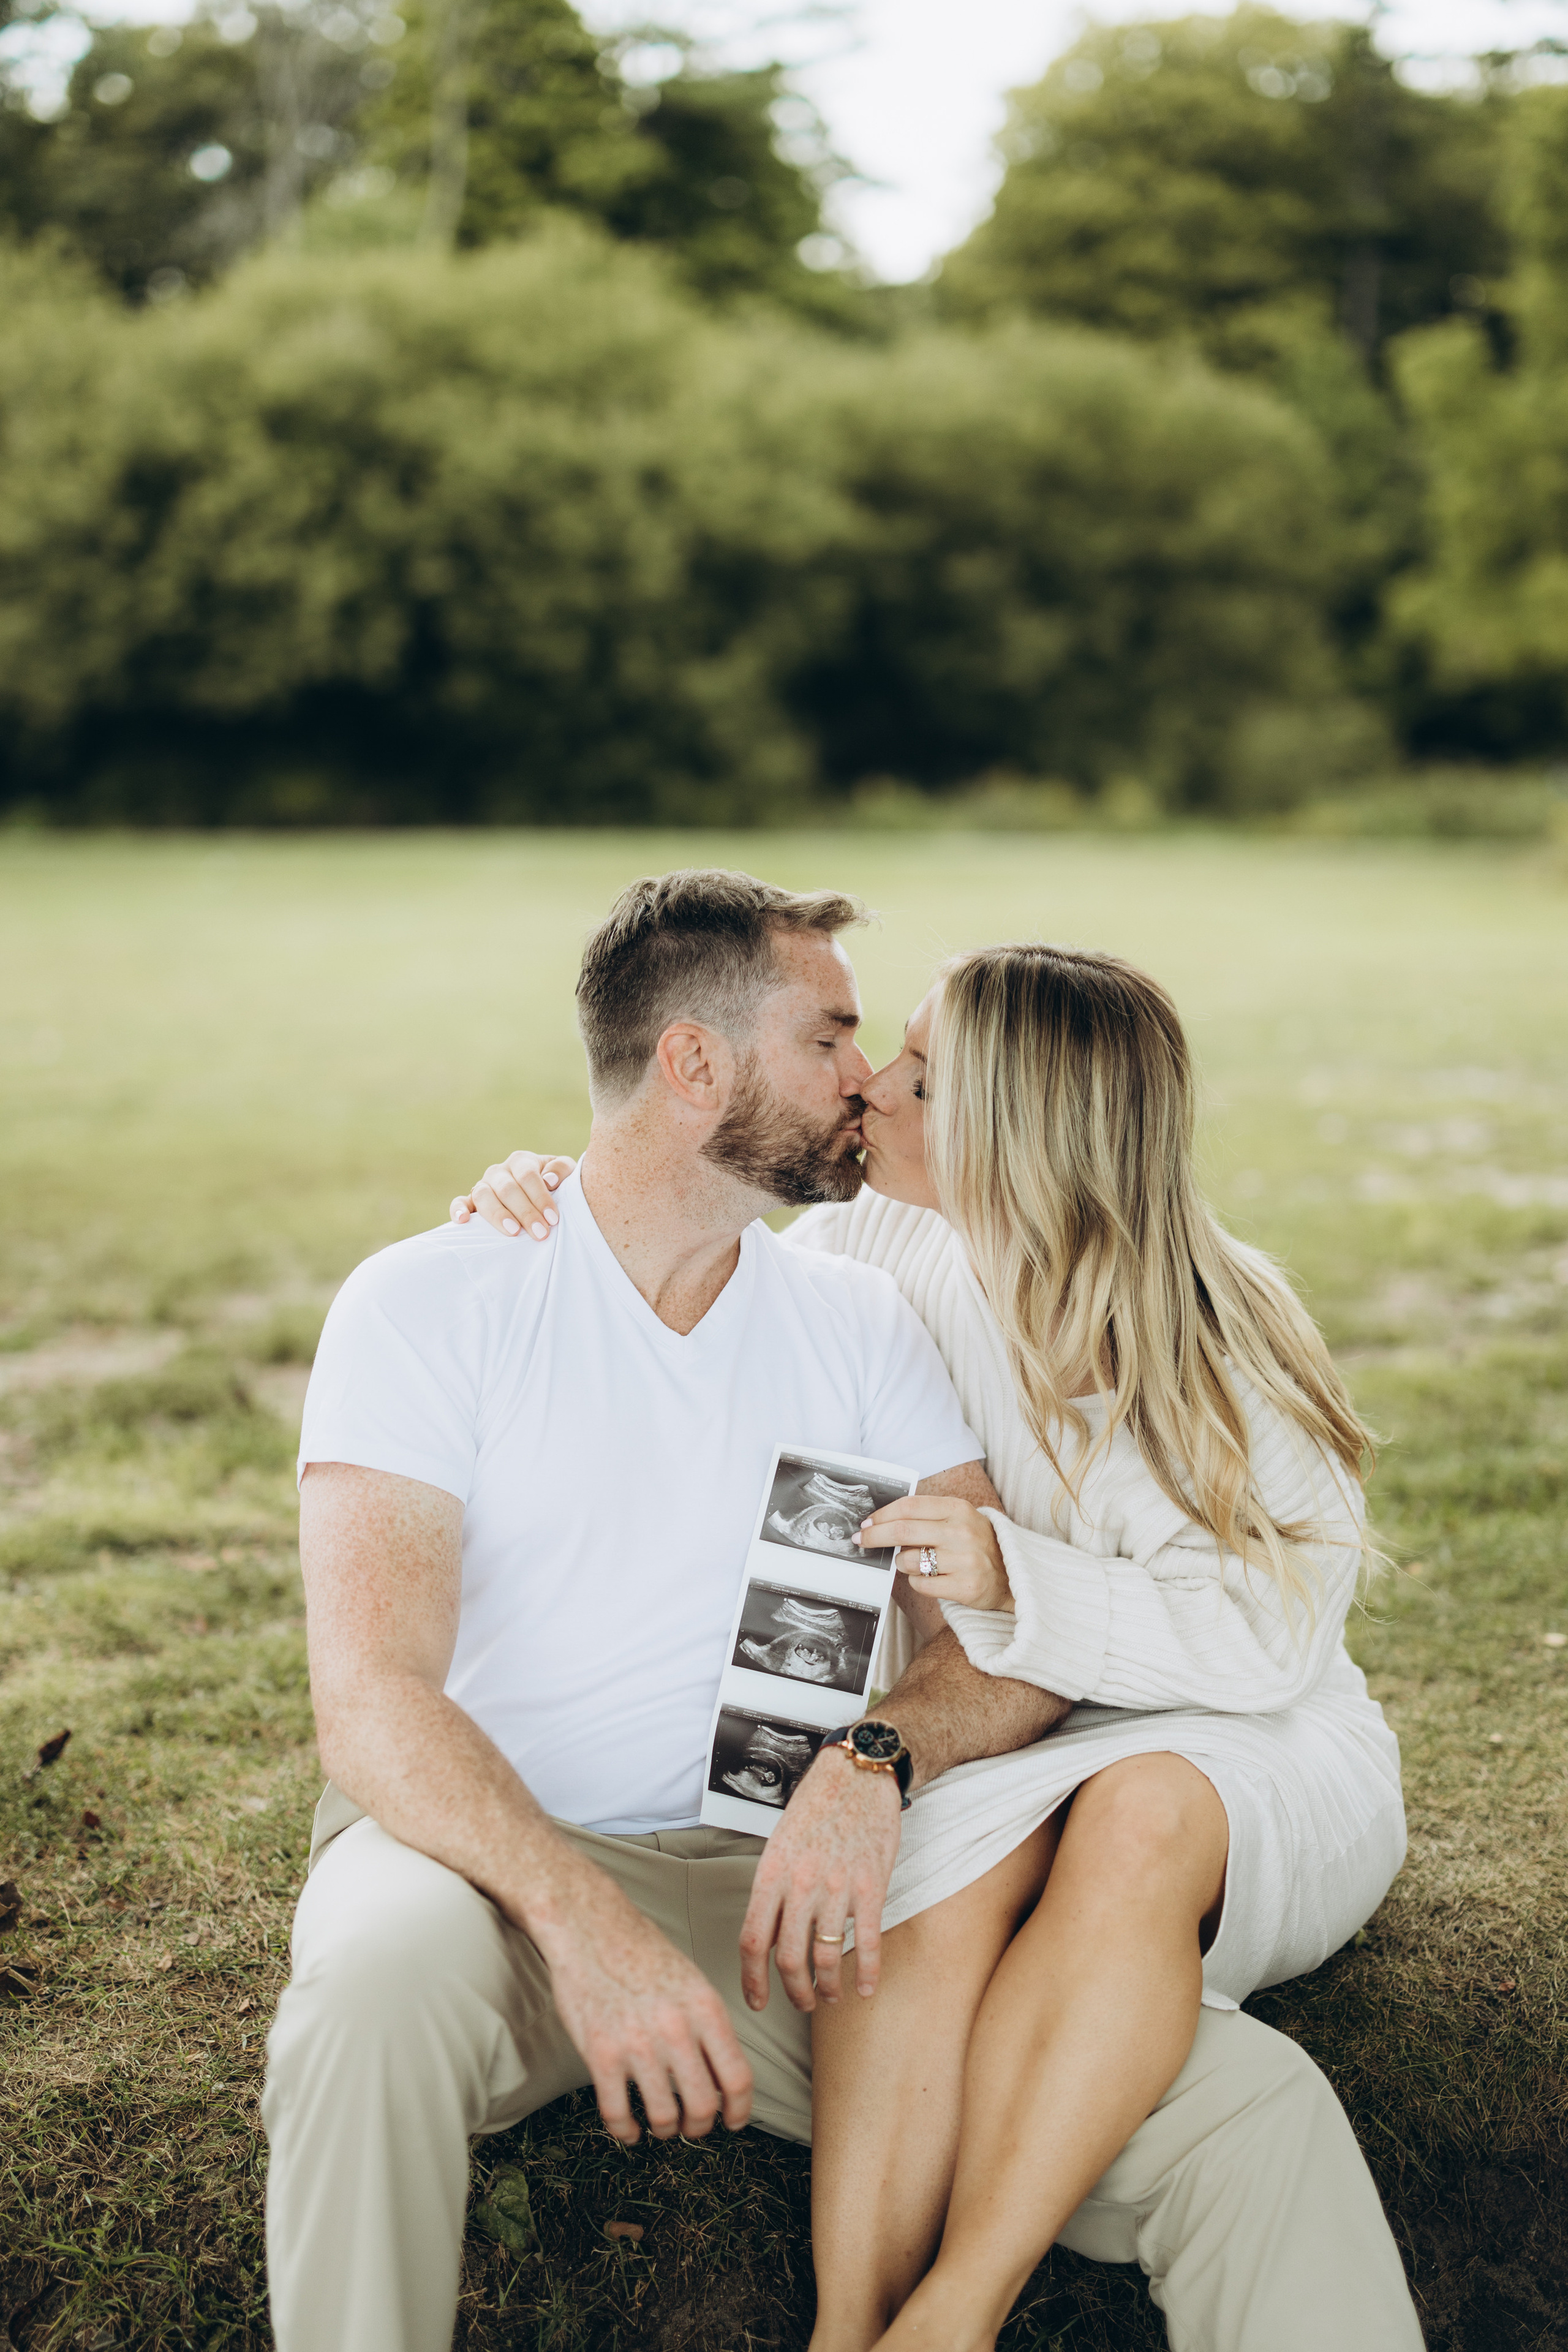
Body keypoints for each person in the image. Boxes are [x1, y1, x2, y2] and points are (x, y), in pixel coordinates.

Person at [454, 938, 1424, 2352]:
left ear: (1020, 1131)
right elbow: (695, 1291)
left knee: (1136, 1815)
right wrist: (543, 1204)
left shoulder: (1225, 1332)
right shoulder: (875, 1246)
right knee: (898, 1852)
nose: (872, 1089)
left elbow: (1271, 1638)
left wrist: (1017, 1576)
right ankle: (850, 2332)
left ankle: (955, 2313)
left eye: (919, 1074)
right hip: (1030, 1730)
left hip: (1249, 1742)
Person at [263, 869, 1054, 2352]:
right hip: (484, 1878)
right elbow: (370, 1695)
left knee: (1210, 2112)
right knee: (362, 1996)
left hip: (793, 1902)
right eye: (828, 1039)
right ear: (691, 1065)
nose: (864, 1083)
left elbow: (1000, 1646)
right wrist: (582, 1922)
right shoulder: (428, 1300)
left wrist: (876, 1761)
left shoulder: (862, 1320)